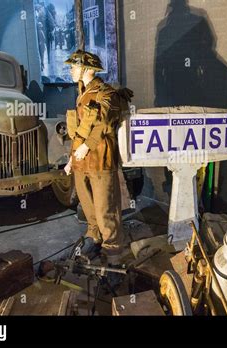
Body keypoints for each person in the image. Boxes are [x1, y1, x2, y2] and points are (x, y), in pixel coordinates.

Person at [64, 50, 132, 264]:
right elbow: (79, 130)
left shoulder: (105, 93)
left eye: (74, 67)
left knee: (106, 208)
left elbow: (104, 124)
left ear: (87, 69)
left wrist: (86, 147)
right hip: (82, 162)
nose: (71, 70)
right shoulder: (82, 93)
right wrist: (72, 158)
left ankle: (113, 251)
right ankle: (94, 239)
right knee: (88, 206)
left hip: (101, 160)